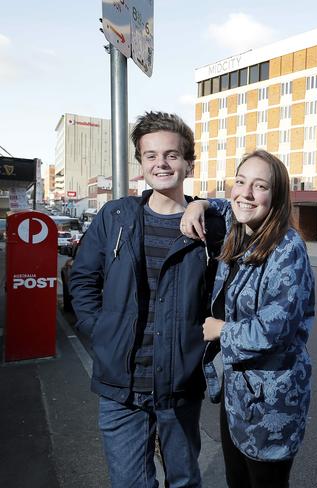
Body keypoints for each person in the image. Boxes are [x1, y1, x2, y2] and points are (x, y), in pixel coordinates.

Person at [69, 111, 226, 487]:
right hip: (120, 386)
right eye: (151, 155)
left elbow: (259, 210)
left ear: (188, 162)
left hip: (180, 383)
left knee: (184, 481)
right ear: (140, 163)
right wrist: (100, 330)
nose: (162, 163)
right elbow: (83, 281)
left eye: (172, 155)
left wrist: (206, 203)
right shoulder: (116, 216)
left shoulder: (211, 226)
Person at [180, 150, 315, 488]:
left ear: (278, 197)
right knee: (236, 480)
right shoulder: (241, 230)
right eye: (240, 182)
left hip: (273, 399)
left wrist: (220, 329)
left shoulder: (287, 248)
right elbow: (231, 205)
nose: (246, 193)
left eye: (260, 186)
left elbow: (276, 328)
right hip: (238, 393)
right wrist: (200, 204)